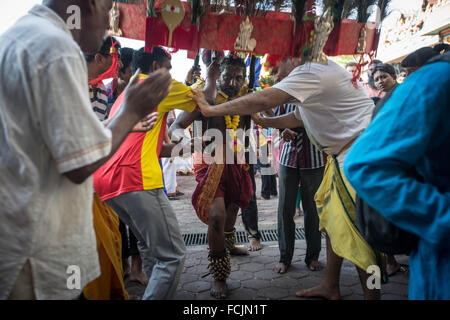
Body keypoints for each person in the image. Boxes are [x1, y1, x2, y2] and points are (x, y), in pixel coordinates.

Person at [0, 0, 171, 300]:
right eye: (109, 9)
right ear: (88, 4)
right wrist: (131, 111)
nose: (110, 22)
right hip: (40, 253)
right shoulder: (56, 46)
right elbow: (79, 161)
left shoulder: (18, 37)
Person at [189, 55, 384, 300]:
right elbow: (296, 118)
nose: (275, 76)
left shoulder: (311, 71)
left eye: (276, 68)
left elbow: (264, 98)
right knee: (335, 226)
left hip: (357, 157)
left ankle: (374, 295)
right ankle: (331, 285)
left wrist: (211, 109)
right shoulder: (314, 74)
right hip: (341, 157)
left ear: (292, 58)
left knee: (364, 242)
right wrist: (265, 121)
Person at [93, 47, 203, 300]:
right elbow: (204, 100)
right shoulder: (156, 85)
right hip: (135, 178)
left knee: (150, 246)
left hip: (108, 180)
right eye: (168, 67)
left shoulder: (130, 90)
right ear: (155, 68)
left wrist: (188, 147)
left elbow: (155, 148)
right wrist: (209, 75)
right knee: (172, 255)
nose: (171, 73)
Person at [344, 52, 450, 300]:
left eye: (385, 76)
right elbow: (365, 165)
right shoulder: (435, 81)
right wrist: (442, 216)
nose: (380, 81)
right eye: (376, 78)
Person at [169, 56, 257, 299]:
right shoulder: (205, 98)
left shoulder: (243, 98)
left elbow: (260, 118)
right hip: (208, 163)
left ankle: (228, 244)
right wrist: (189, 142)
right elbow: (175, 127)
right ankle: (219, 275)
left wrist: (284, 128)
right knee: (216, 216)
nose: (232, 82)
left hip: (236, 161)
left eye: (238, 78)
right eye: (227, 76)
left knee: (231, 210)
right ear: (218, 75)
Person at [85, 36, 122, 120]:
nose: (121, 65)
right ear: (99, 59)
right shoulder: (72, 84)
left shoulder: (102, 89)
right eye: (117, 58)